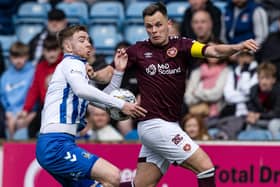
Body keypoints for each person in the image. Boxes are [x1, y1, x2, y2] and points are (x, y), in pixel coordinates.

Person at [95, 2, 258, 187]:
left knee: (142, 185)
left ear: (168, 23)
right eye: (149, 26)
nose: (154, 30)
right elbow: (108, 72)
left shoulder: (183, 46)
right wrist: (93, 74)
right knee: (205, 167)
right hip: (154, 125)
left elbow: (212, 50)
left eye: (158, 24)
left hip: (169, 124)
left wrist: (237, 46)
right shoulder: (137, 51)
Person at [36, 25, 147, 187]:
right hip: (55, 145)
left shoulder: (76, 73)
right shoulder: (71, 63)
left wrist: (118, 71)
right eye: (82, 40)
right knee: (114, 176)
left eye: (88, 39)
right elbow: (83, 91)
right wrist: (122, 104)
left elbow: (103, 101)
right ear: (68, 46)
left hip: (59, 143)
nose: (88, 43)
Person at [17, 34, 63, 138]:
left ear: (60, 50)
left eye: (54, 50)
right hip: (45, 107)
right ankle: (36, 154)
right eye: (48, 50)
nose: (51, 54)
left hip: (63, 108)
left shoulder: (65, 64)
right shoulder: (40, 67)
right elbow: (34, 90)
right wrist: (26, 110)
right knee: (32, 127)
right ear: (43, 52)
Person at [0, 42, 35, 140]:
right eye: (15, 57)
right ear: (10, 58)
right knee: (10, 125)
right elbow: (3, 97)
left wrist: (28, 112)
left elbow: (34, 95)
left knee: (21, 131)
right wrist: (8, 112)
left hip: (27, 112)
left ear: (27, 56)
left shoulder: (33, 72)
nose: (18, 60)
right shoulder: (5, 76)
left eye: (22, 57)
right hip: (11, 113)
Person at [238, 62, 280, 140]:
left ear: (273, 80)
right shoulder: (253, 90)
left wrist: (259, 115)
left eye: (267, 78)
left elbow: (277, 113)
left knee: (273, 124)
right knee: (249, 125)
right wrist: (251, 115)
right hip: (261, 120)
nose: (263, 82)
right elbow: (251, 107)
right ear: (258, 79)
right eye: (261, 78)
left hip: (276, 120)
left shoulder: (278, 91)